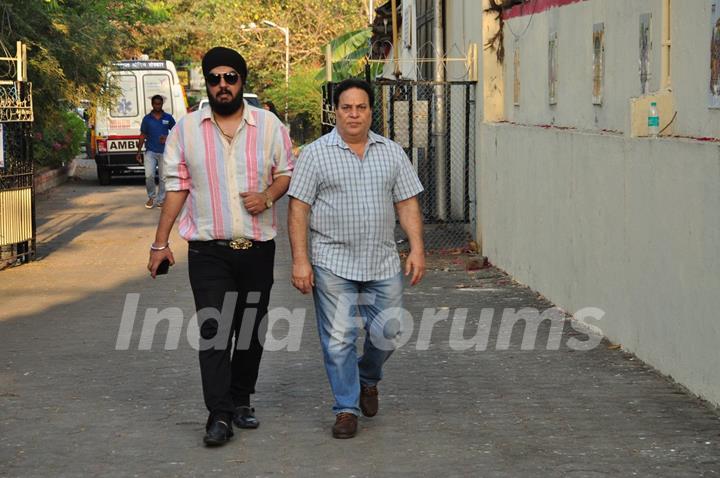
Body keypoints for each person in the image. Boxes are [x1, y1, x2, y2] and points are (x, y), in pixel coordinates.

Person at [147, 46, 294, 447]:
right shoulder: (186, 130)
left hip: (257, 248)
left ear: (242, 81)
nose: (222, 85)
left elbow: (285, 173)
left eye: (230, 77)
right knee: (214, 330)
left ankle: (241, 400)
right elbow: (175, 190)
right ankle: (219, 414)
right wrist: (160, 243)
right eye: (215, 78)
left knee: (249, 329)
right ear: (207, 82)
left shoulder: (268, 125)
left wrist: (267, 196)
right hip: (208, 250)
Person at [287, 78, 425, 439]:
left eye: (360, 107)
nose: (353, 114)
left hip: (382, 261)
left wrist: (417, 248)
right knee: (338, 338)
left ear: (370, 111)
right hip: (332, 261)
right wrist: (301, 260)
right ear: (335, 111)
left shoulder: (392, 152)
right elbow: (298, 209)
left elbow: (407, 202)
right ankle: (346, 408)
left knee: (390, 331)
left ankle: (368, 377)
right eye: (346, 107)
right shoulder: (315, 154)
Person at [137, 95, 175, 208]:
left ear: (162, 104)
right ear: (152, 104)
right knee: (149, 175)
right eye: (155, 103)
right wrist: (138, 151)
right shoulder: (147, 119)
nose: (157, 106)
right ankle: (151, 197)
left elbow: (176, 132)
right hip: (150, 151)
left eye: (159, 103)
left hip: (164, 152)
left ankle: (161, 200)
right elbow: (142, 135)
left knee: (163, 178)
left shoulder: (168, 118)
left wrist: (167, 138)